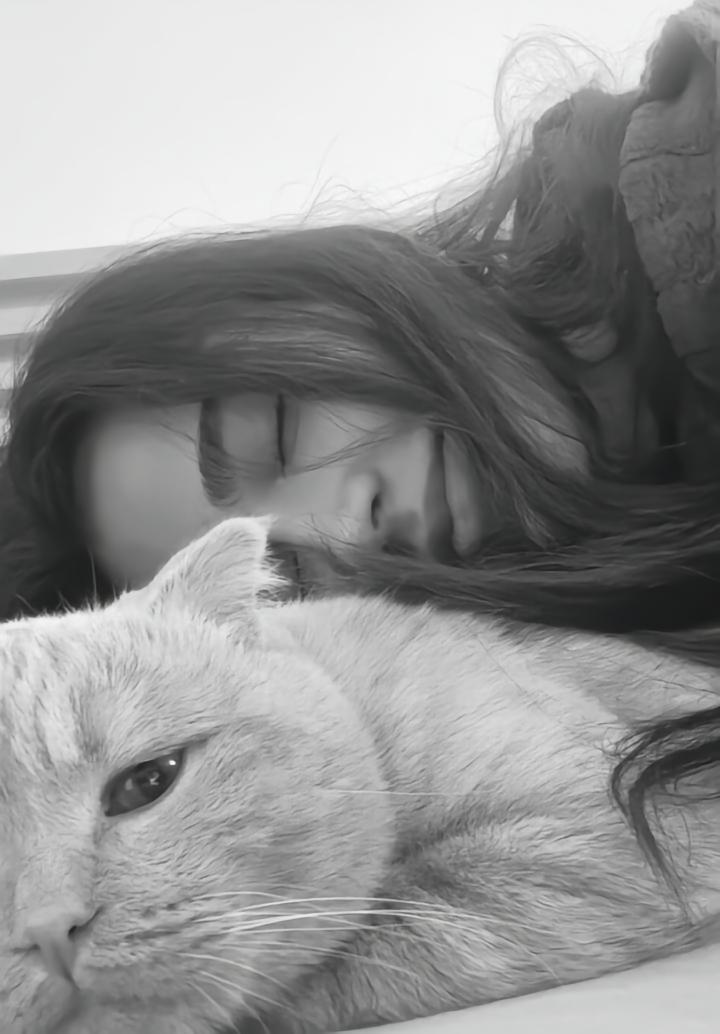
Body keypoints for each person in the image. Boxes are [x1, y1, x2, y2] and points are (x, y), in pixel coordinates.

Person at [2, 0, 720, 892]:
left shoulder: (691, 172)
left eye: (273, 430)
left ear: (313, 290)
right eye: (286, 582)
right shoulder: (612, 648)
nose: (348, 532)